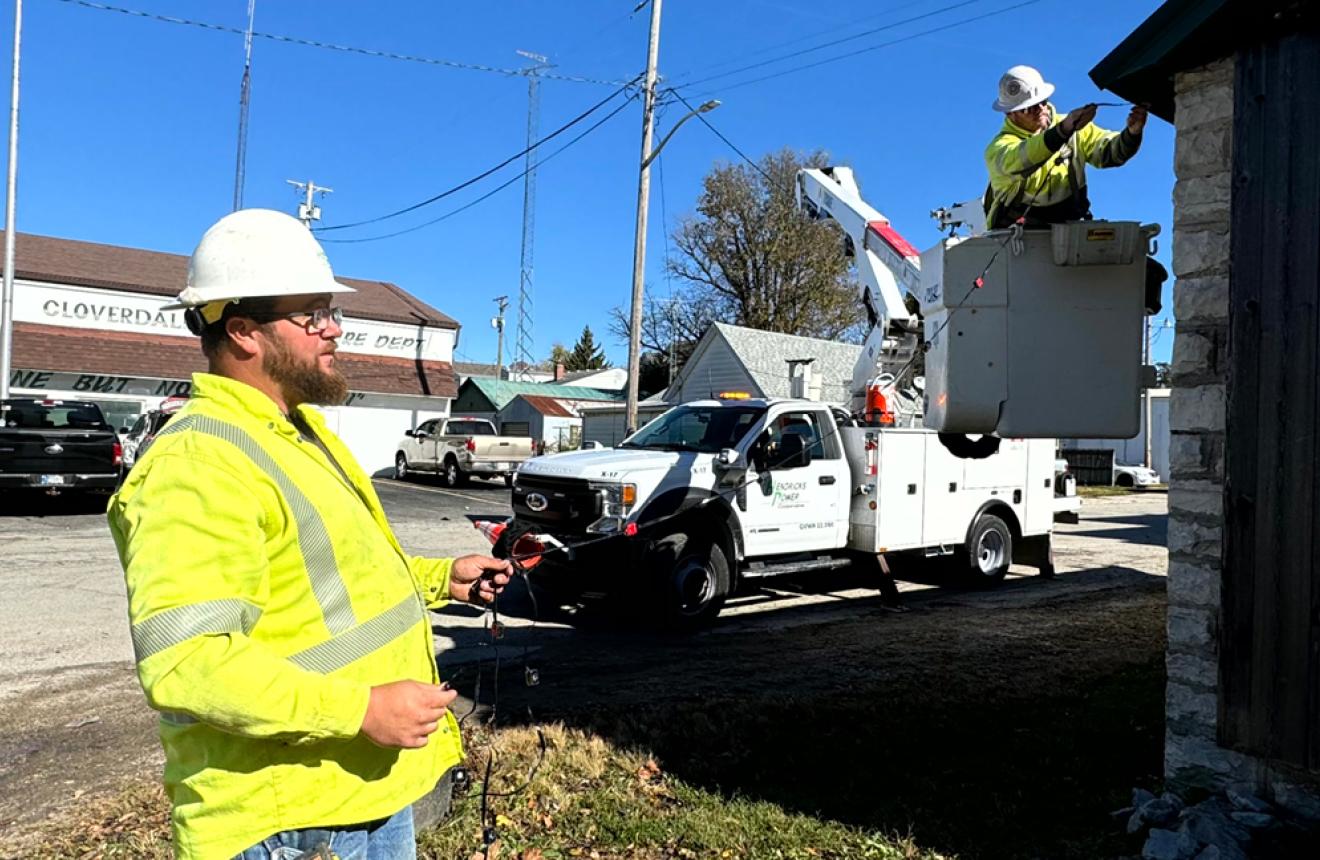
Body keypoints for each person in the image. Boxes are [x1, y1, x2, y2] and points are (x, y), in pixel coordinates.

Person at [107, 208, 512, 860]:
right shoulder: (198, 463)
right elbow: (186, 665)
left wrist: (443, 579)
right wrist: (358, 711)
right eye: (312, 315)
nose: (334, 331)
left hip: (358, 796)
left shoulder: (301, 432)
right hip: (287, 824)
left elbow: (333, 575)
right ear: (242, 332)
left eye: (332, 312)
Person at [983, 65, 1164, 313]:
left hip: (1066, 235)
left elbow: (1108, 154)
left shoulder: (1073, 129)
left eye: (1042, 101)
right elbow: (1024, 156)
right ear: (1011, 114)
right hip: (1019, 244)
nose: (1040, 109)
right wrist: (1064, 129)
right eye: (1029, 107)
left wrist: (1132, 133)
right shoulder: (999, 149)